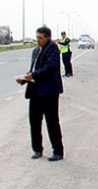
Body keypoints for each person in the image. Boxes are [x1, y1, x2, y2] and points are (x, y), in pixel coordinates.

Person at [15, 26, 64, 161]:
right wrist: (25, 79)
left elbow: (49, 68)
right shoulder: (36, 51)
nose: (38, 40)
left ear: (48, 37)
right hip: (35, 91)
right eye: (37, 37)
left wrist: (32, 76)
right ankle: (37, 149)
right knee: (34, 121)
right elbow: (33, 69)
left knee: (52, 122)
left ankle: (58, 151)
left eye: (40, 38)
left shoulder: (52, 48)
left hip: (49, 91)